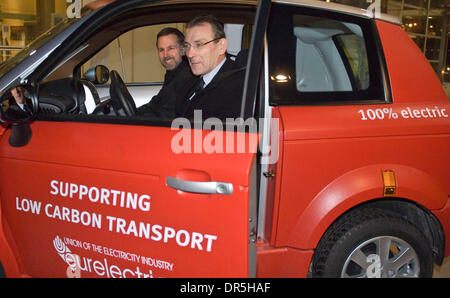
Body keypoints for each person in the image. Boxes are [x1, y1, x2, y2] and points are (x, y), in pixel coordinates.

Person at [175, 15, 245, 120]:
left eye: (199, 44)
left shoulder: (236, 87)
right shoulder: (191, 80)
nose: (189, 54)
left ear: (221, 46)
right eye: (187, 46)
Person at [137, 27, 194, 118]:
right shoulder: (172, 75)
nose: (166, 55)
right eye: (161, 50)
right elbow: (155, 104)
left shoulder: (187, 77)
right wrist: (133, 113)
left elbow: (167, 115)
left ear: (183, 50)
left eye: (171, 48)